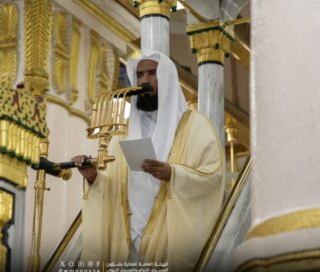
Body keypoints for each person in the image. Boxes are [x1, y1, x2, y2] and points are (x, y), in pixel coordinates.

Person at [72, 51, 224, 271]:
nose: (144, 80)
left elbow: (213, 178)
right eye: (140, 75)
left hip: (168, 238)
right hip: (124, 238)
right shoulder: (122, 133)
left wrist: (173, 174)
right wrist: (93, 178)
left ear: (168, 79)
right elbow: (112, 186)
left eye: (152, 73)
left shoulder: (195, 126)